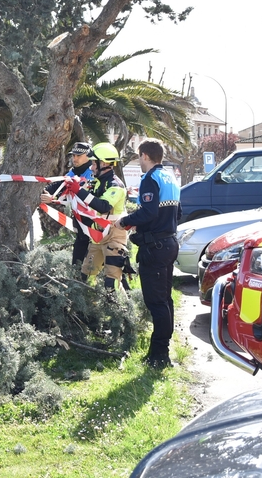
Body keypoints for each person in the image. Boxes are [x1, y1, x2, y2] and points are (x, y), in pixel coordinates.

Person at [114, 139, 182, 369]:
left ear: (144, 156)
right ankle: (161, 350)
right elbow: (177, 212)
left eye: (138, 156)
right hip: (169, 243)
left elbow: (149, 213)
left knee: (156, 302)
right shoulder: (170, 176)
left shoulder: (150, 178)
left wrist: (124, 221)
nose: (139, 161)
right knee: (165, 299)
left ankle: (159, 356)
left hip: (155, 248)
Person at [66, 143, 129, 291]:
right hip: (98, 236)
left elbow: (103, 206)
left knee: (111, 282)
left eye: (94, 163)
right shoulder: (97, 182)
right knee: (85, 275)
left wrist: (79, 191)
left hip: (114, 236)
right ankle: (91, 306)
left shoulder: (116, 185)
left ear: (105, 163)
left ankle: (119, 310)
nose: (91, 167)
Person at [40, 142, 94, 269]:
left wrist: (53, 199)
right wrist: (46, 191)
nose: (74, 158)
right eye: (73, 155)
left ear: (88, 155)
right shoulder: (73, 172)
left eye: (78, 156)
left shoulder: (91, 173)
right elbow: (60, 184)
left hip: (94, 225)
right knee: (78, 261)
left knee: (107, 262)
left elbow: (82, 197)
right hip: (81, 225)